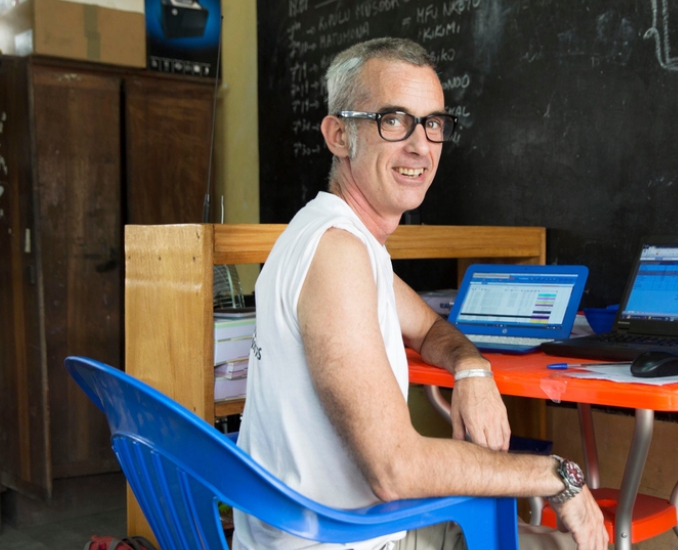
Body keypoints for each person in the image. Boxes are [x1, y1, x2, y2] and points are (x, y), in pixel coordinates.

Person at [233, 37, 607, 550]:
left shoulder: (339, 238)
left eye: (432, 123)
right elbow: (396, 469)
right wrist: (559, 478)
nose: (420, 145)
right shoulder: (336, 255)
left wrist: (471, 369)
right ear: (339, 135)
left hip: (356, 527)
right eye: (393, 120)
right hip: (345, 541)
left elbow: (430, 327)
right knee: (572, 542)